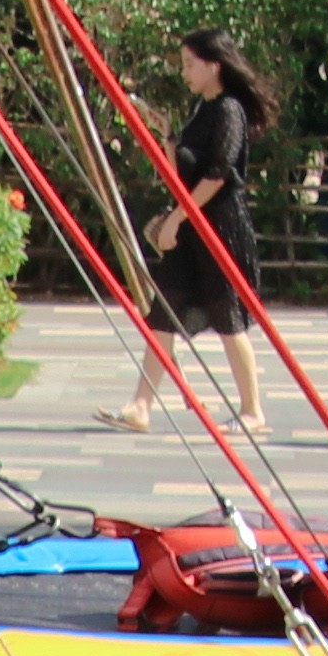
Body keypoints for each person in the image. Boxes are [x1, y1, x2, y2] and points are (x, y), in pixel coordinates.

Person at [113, 31, 276, 436]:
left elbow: (219, 175)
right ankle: (141, 405)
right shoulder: (200, 109)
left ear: (214, 65)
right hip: (191, 221)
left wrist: (175, 220)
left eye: (190, 63)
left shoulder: (229, 111)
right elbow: (180, 175)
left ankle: (252, 409)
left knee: (228, 318)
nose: (184, 72)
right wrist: (166, 135)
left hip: (218, 225)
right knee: (163, 311)